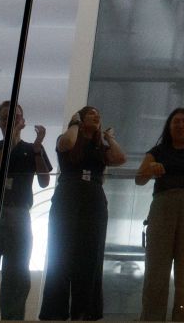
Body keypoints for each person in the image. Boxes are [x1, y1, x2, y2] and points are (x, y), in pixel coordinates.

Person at [39, 105, 126, 320]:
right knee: (61, 252)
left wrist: (109, 138)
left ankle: (84, 312)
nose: (96, 117)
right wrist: (75, 123)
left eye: (99, 115)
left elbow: (120, 158)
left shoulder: (99, 147)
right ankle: (55, 313)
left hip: (94, 198)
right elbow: (66, 143)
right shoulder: (68, 138)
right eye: (91, 114)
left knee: (91, 255)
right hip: (68, 194)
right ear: (79, 118)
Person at [0, 101, 51, 320]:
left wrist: (36, 150)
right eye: (6, 117)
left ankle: (12, 318)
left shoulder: (32, 148)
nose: (11, 121)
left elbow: (44, 181)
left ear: (23, 122)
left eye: (16, 117)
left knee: (17, 271)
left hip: (20, 212)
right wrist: (9, 144)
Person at [136, 107, 184, 321]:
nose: (181, 125)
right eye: (177, 122)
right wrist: (151, 167)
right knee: (156, 270)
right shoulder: (158, 151)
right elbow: (139, 178)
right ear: (169, 126)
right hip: (163, 205)